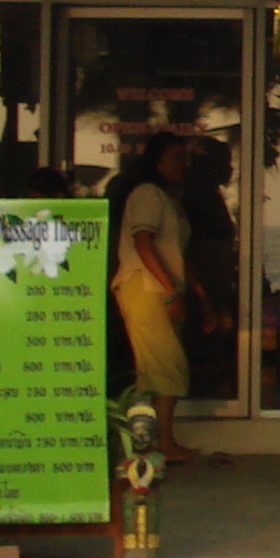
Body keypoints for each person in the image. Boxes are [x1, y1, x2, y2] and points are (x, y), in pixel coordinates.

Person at [109, 135, 204, 462]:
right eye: (176, 158)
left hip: (160, 287)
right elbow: (143, 242)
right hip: (146, 287)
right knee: (166, 368)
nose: (183, 165)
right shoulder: (147, 194)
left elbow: (176, 252)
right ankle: (161, 442)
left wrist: (198, 294)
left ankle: (149, 441)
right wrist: (169, 289)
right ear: (157, 161)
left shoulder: (167, 199)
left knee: (159, 369)